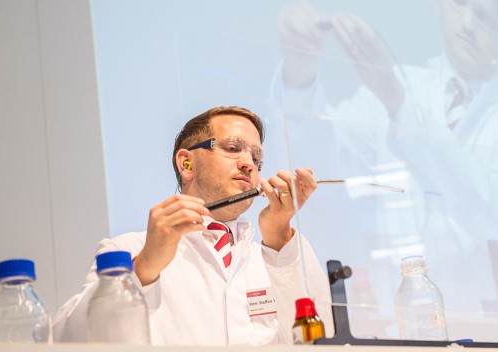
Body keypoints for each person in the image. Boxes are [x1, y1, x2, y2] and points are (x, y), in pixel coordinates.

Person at [271, 0, 498, 334]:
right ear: (441, 8)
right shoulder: (385, 91)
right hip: (392, 324)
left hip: (489, 330)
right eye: (461, 5)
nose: (467, 22)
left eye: (484, 17)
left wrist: (394, 94)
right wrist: (301, 74)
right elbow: (318, 166)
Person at [52, 106, 333, 345]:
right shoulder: (130, 251)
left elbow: (322, 339)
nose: (249, 163)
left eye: (257, 158)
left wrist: (279, 236)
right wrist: (145, 266)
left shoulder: (276, 253)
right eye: (233, 148)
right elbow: (68, 338)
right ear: (186, 164)